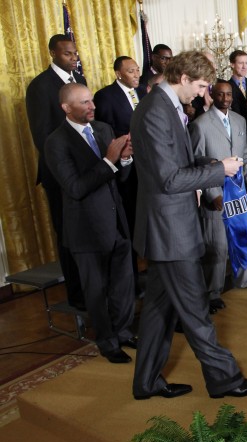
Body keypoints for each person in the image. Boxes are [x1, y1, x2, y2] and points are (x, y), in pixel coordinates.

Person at [130, 50, 247, 400]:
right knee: (196, 311)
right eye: (204, 86)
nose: (204, 94)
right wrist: (220, 171)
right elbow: (169, 178)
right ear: (185, 78)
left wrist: (212, 162)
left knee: (158, 313)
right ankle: (225, 379)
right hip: (169, 230)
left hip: (168, 229)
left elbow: (180, 162)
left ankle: (145, 383)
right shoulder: (155, 110)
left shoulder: (167, 106)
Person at [44, 83, 136, 363]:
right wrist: (109, 160)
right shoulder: (56, 142)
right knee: (96, 292)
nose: (92, 106)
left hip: (117, 222)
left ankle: (122, 332)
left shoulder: (104, 130)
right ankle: (107, 342)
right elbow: (75, 188)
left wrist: (126, 159)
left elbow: (118, 178)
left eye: (91, 101)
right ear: (66, 108)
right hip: (86, 230)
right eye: (84, 103)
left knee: (123, 284)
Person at [189, 80, 247, 314]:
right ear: (211, 95)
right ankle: (212, 293)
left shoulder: (239, 120)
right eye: (220, 94)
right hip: (217, 195)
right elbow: (197, 163)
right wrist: (212, 193)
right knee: (218, 247)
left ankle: (244, 279)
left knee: (244, 236)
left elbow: (245, 155)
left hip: (240, 192)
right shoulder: (200, 125)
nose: (225, 98)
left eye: (229, 94)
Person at [26, 34, 87, 310]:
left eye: (75, 53)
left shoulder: (79, 82)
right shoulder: (40, 86)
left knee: (86, 233)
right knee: (68, 235)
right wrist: (68, 168)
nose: (73, 57)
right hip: (59, 174)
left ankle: (93, 288)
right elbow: (42, 135)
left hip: (84, 172)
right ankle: (77, 296)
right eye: (67, 54)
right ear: (52, 53)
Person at [94, 56, 147, 297]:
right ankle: (131, 282)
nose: (136, 74)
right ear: (118, 73)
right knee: (129, 225)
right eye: (131, 71)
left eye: (137, 70)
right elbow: (104, 133)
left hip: (146, 168)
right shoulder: (106, 97)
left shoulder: (144, 94)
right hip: (124, 171)